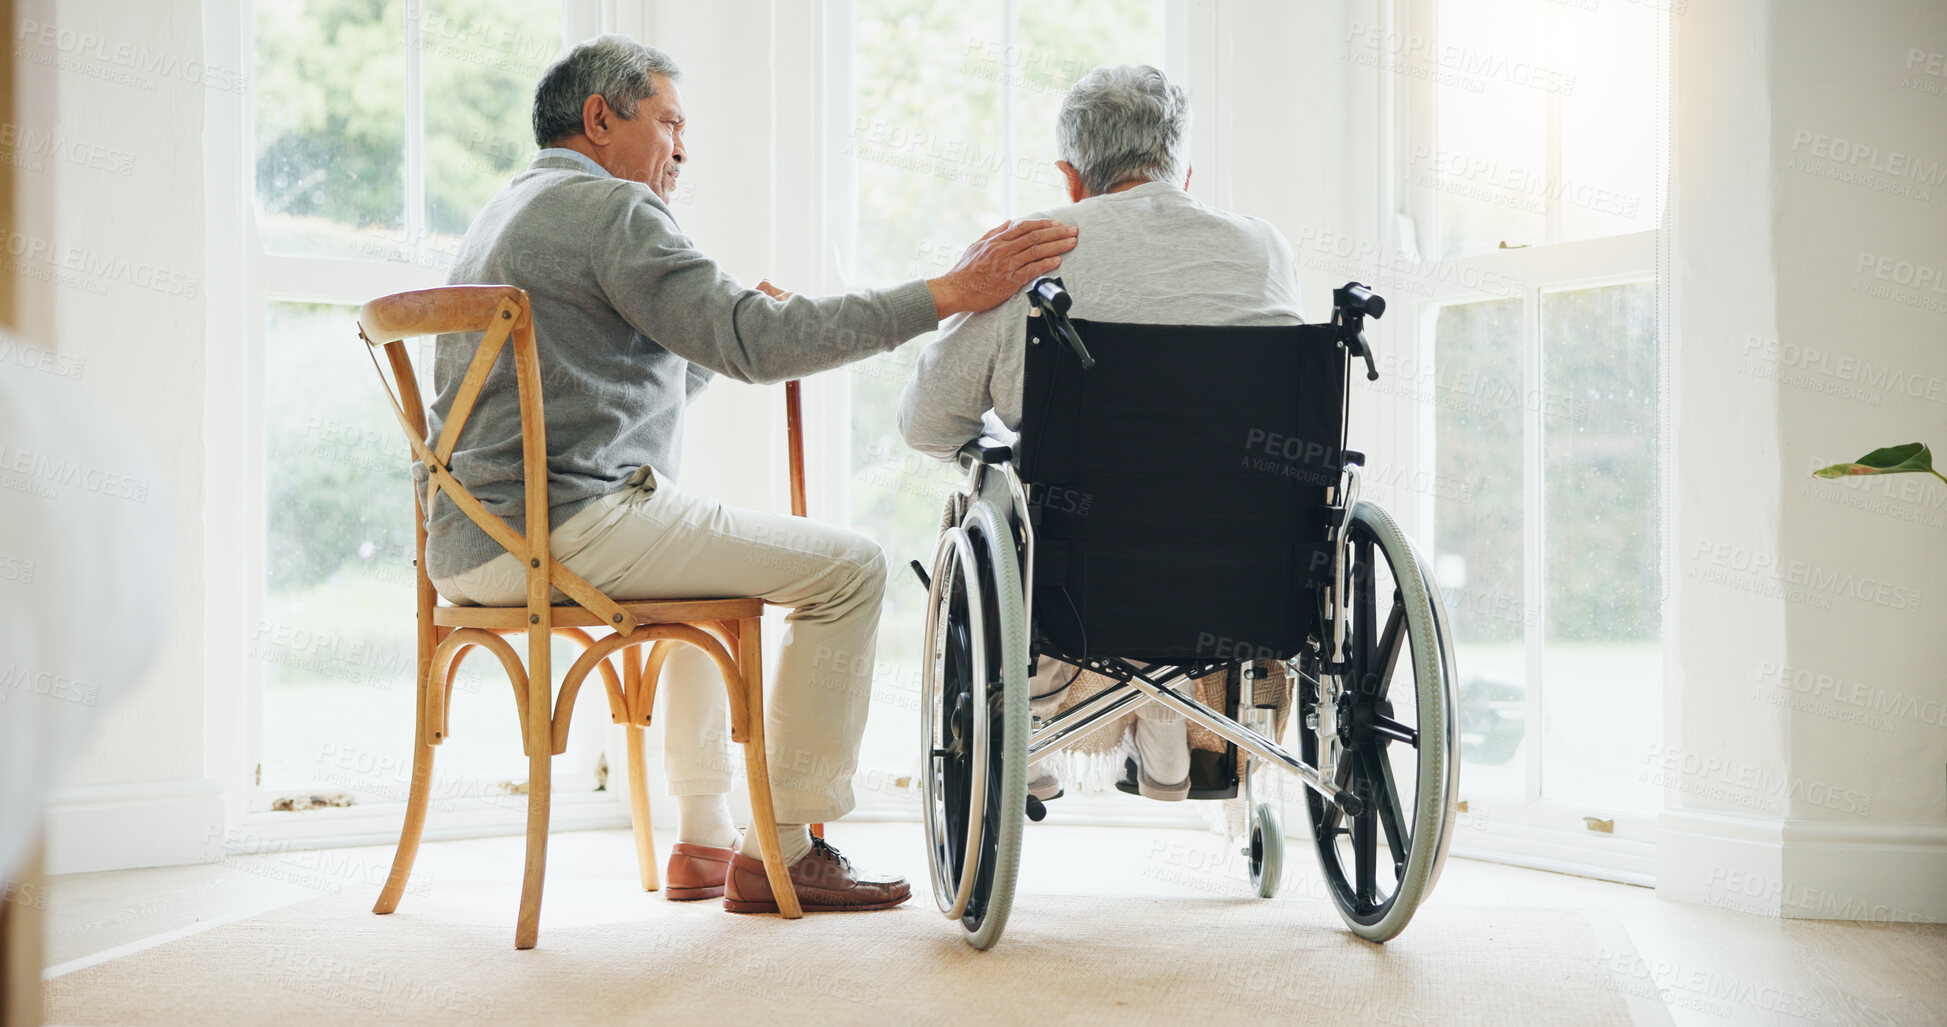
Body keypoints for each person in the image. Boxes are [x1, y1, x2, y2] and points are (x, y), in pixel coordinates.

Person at [424, 34, 1078, 914]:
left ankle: (703, 836)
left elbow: (642, 370)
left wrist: (731, 334)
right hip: (570, 526)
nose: (682, 149)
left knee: (710, 579)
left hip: (470, 545)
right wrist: (948, 293)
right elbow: (757, 347)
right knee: (851, 569)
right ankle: (786, 844)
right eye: (669, 122)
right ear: (599, 118)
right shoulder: (613, 211)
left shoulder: (507, 213)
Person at [896, 64, 1304, 804]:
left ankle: (1035, 724)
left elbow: (926, 423)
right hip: (1248, 575)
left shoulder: (1028, 252)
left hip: (1079, 578)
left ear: (1068, 175)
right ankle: (1172, 727)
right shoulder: (1262, 248)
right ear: (1184, 171)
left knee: (1003, 476)